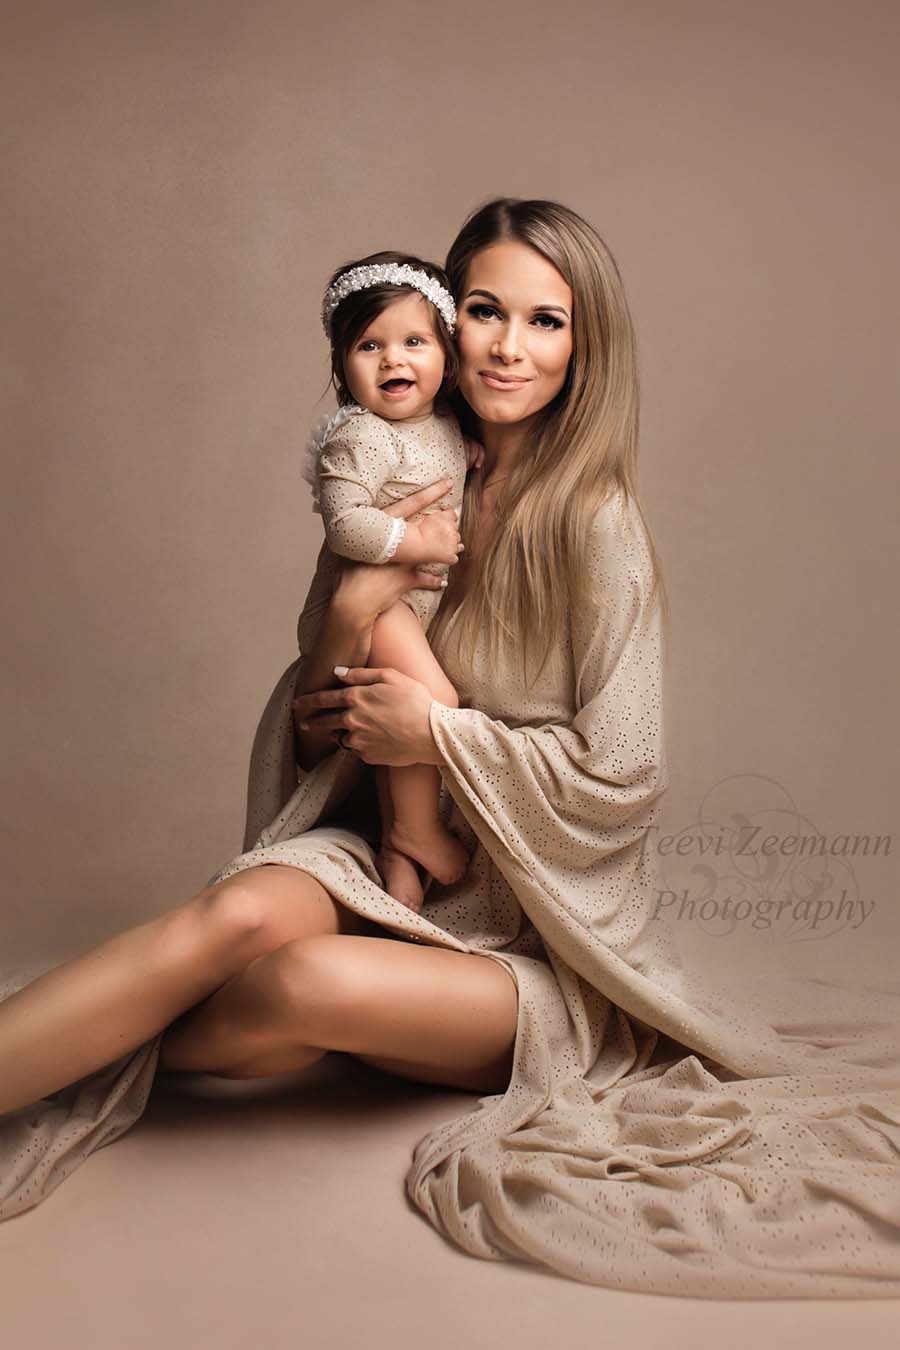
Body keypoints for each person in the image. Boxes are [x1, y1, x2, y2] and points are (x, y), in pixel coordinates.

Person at [1, 199, 899, 1302]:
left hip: (534, 938)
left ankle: (83, 1049)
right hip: (386, 856)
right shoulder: (415, 468)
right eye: (483, 310)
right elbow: (318, 674)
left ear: (585, 345)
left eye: (546, 321)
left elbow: (623, 775)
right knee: (234, 915)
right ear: (442, 314)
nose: (510, 348)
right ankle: (34, 1061)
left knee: (296, 979)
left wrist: (436, 732)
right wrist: (360, 646)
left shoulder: (596, 520)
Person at [298, 249, 482, 910]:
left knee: (391, 727)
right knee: (431, 699)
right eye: (369, 345)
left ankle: (399, 871)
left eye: (414, 341)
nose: (393, 359)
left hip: (403, 606)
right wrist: (412, 539)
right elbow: (346, 526)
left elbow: (444, 462)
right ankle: (418, 827)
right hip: (372, 608)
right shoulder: (362, 438)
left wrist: (469, 456)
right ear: (343, 367)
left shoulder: (445, 426)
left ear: (447, 355)